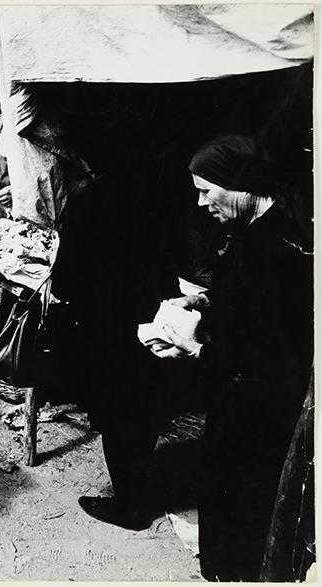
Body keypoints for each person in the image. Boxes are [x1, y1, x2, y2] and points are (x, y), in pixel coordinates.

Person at [145, 135, 313, 581]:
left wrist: (195, 348)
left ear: (237, 184)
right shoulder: (250, 230)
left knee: (243, 503)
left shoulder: (279, 252)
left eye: (206, 190)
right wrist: (198, 306)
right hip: (235, 397)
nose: (201, 203)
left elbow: (268, 357)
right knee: (220, 486)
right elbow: (239, 305)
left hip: (259, 411)